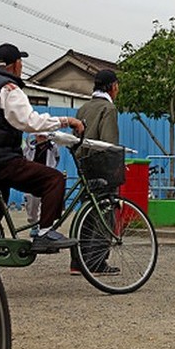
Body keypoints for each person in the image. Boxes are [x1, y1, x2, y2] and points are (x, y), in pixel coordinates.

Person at [0, 43, 85, 254]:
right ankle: (44, 233)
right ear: (16, 65)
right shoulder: (8, 88)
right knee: (53, 179)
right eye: (21, 62)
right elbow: (30, 122)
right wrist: (67, 120)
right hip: (0, 160)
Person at [70, 68, 121, 276]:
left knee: (85, 212)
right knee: (104, 212)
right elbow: (108, 143)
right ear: (113, 87)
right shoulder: (108, 109)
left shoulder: (83, 109)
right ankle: (97, 261)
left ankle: (77, 261)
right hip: (102, 166)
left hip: (84, 164)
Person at [22, 133, 61, 237]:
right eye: (39, 136)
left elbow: (56, 159)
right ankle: (33, 224)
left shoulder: (53, 147)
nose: (42, 138)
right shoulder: (28, 147)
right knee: (31, 203)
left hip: (46, 177)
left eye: (44, 136)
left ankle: (43, 226)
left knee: (46, 202)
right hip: (32, 177)